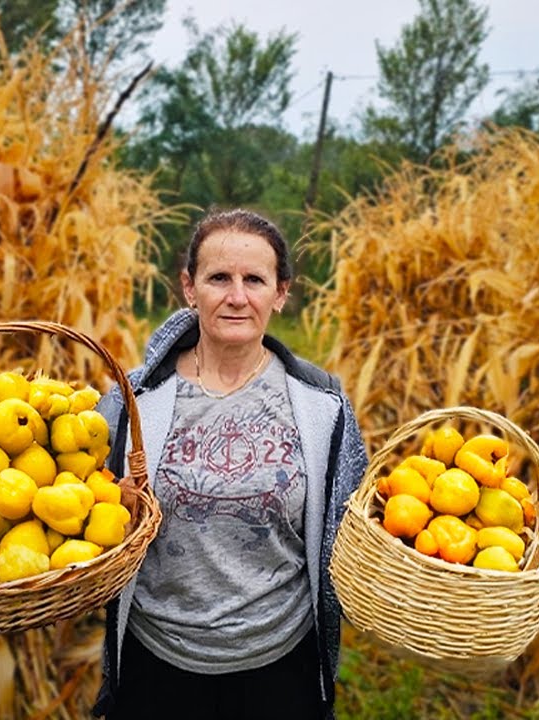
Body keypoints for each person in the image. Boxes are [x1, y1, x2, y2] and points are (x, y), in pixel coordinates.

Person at [92, 208, 368, 719]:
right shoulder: (134, 401)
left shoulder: (321, 405)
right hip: (158, 664)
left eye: (254, 280)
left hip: (279, 666)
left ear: (280, 293)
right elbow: (81, 502)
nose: (237, 296)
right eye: (219, 277)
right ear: (189, 288)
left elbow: (353, 530)